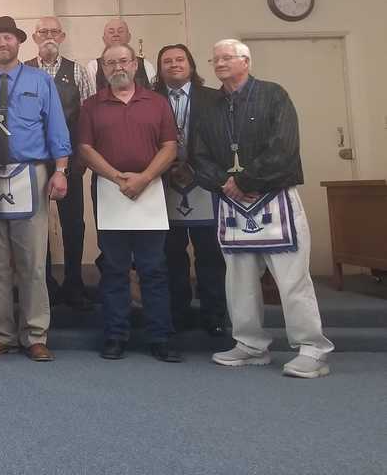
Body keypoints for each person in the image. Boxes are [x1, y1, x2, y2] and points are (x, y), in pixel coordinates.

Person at [193, 39, 333, 378]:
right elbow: (198, 155)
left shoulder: (274, 95)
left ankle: (312, 349)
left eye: (228, 57)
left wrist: (245, 180)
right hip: (232, 204)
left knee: (292, 279)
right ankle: (250, 345)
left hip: (275, 197)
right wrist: (224, 182)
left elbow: (284, 146)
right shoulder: (209, 106)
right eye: (215, 59)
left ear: (246, 61)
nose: (220, 63)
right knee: (238, 281)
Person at [0, 16, 71, 362]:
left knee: (32, 261)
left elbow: (56, 126)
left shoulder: (40, 80)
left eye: (8, 38)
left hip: (30, 173)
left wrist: (60, 170)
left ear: (18, 42)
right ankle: (3, 334)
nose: (2, 43)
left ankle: (35, 334)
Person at [78, 43, 182, 363]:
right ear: (103, 68)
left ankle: (160, 337)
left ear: (135, 64)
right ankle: (115, 335)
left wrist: (145, 177)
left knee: (154, 269)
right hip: (110, 191)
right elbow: (85, 148)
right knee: (114, 268)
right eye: (110, 63)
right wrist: (116, 177)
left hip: (150, 191)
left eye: (123, 61)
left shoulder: (157, 102)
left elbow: (170, 146)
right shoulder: (91, 105)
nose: (117, 67)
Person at [153, 43, 227, 337]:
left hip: (205, 182)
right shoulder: (149, 99)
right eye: (167, 61)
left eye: (180, 59)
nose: (174, 64)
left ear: (191, 65)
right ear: (160, 69)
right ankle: (178, 313)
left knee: (210, 253)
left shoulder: (214, 98)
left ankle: (215, 315)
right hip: (164, 183)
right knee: (171, 253)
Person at [25, 15, 94, 310]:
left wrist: (84, 156)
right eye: (43, 32)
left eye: (54, 31)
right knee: (36, 224)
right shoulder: (23, 70)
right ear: (34, 37)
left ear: (63, 36)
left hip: (70, 161)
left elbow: (88, 116)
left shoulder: (78, 71)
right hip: (33, 161)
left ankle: (74, 282)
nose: (49, 36)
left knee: (73, 223)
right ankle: (44, 284)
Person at [85, 19, 156, 91]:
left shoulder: (145, 65)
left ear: (129, 37)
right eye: (111, 32)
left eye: (120, 31)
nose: (116, 35)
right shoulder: (93, 67)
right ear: (104, 39)